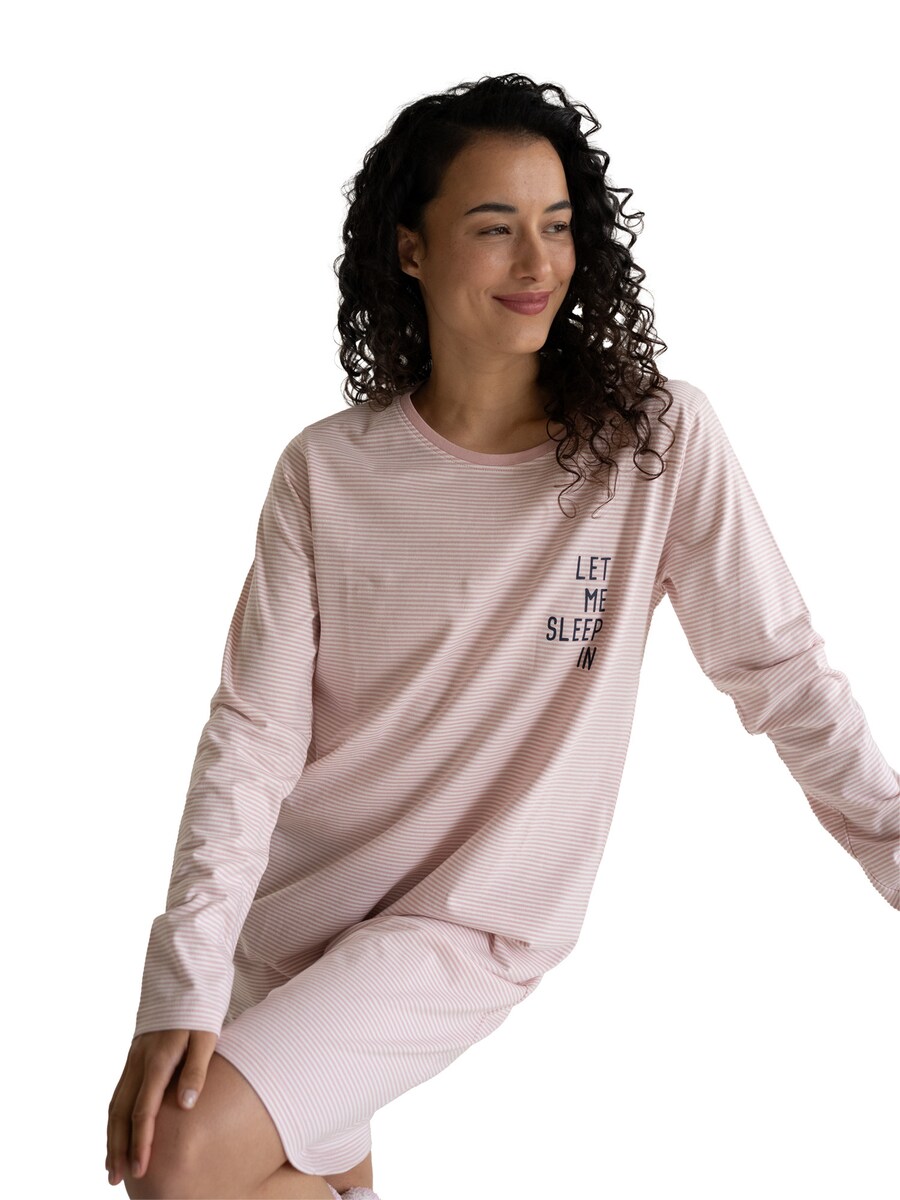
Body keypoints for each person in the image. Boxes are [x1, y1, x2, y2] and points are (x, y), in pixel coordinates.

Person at [106, 73, 899, 1200]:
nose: (538, 263)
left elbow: (780, 671)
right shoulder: (326, 470)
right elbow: (254, 735)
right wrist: (183, 977)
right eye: (494, 228)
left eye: (558, 226)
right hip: (296, 911)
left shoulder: (652, 444)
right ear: (411, 250)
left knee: (175, 1160)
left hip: (467, 919)